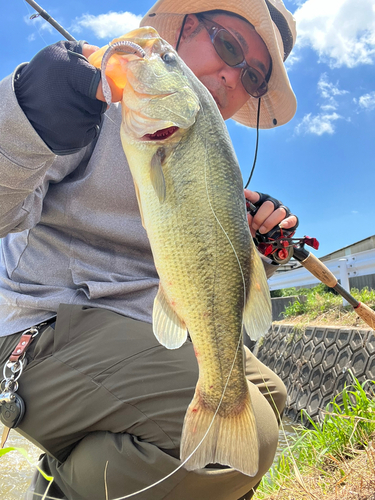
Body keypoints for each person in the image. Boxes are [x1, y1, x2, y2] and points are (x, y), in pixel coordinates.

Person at [0, 0, 298, 498]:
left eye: (254, 79)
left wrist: (258, 247)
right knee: (233, 452)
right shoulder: (82, 102)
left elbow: (189, 262)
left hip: (139, 326)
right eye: (228, 46)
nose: (233, 76)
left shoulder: (206, 151)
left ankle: (98, 460)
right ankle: (63, 485)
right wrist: (26, 117)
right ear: (183, 28)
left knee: (270, 396)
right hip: (44, 326)